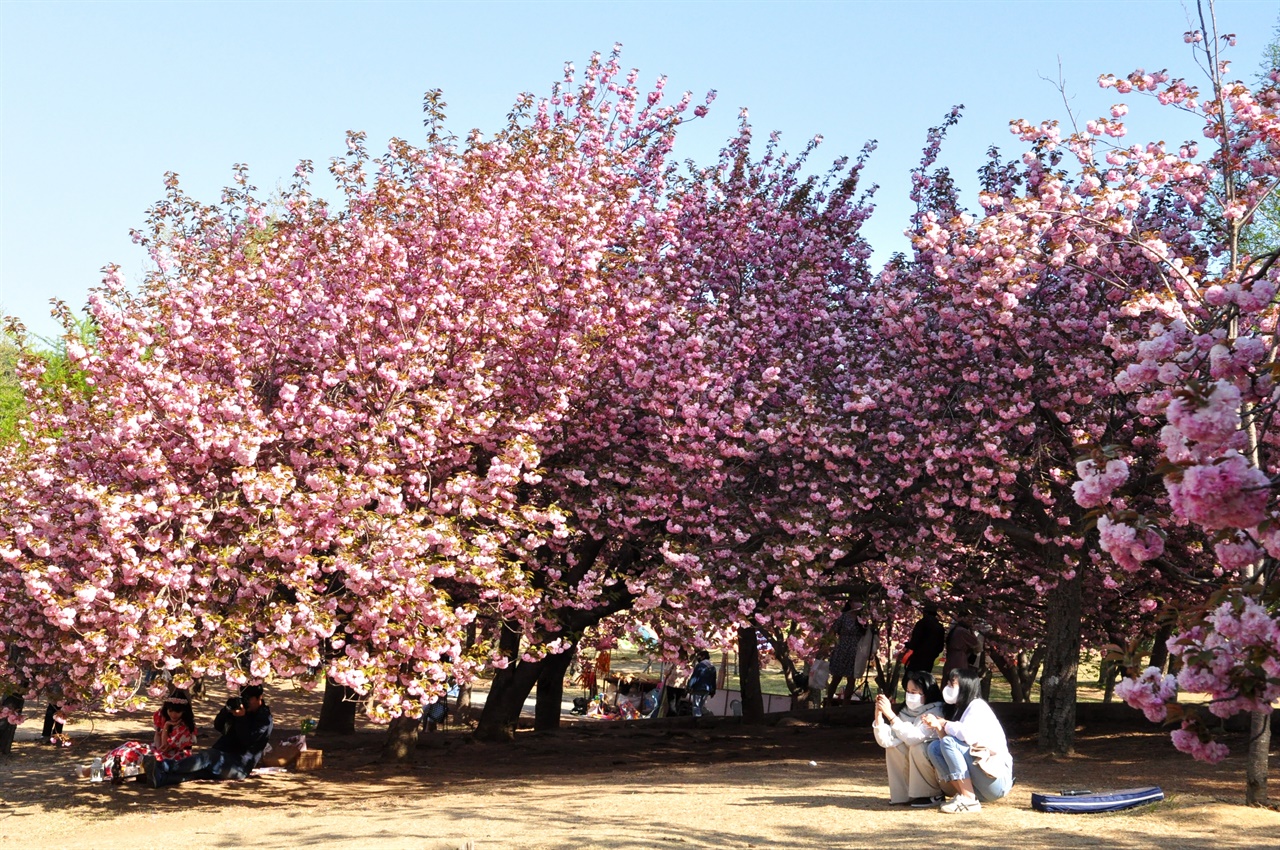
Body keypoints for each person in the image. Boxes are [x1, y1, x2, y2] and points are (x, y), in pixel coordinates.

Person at [922, 668, 1014, 813]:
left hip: (996, 778)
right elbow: (949, 746)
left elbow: (967, 735)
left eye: (952, 684)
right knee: (934, 747)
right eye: (948, 684)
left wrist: (944, 723)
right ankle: (964, 794)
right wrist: (938, 727)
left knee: (947, 743)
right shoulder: (961, 710)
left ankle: (969, 799)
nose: (948, 688)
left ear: (966, 686)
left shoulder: (978, 706)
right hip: (982, 783)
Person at [143, 684, 273, 787]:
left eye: (248, 698)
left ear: (259, 698)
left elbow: (248, 741)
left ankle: (162, 766)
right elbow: (218, 726)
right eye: (243, 697)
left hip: (239, 766)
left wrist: (241, 718)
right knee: (197, 772)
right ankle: (160, 779)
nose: (245, 702)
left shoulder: (264, 719)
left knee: (208, 757)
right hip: (223, 757)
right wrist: (227, 710)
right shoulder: (240, 709)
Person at [872, 670, 945, 806]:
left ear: (927, 693)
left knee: (918, 747)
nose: (910, 696)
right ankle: (904, 795)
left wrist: (891, 716)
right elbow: (886, 741)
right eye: (908, 691)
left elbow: (914, 737)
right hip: (913, 746)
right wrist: (879, 715)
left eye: (914, 692)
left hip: (938, 766)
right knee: (895, 747)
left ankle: (931, 794)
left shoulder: (936, 711)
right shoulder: (905, 712)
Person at [93, 691, 197, 782]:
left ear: (184, 712)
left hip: (175, 757)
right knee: (130, 744)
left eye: (177, 712)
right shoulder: (163, 717)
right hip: (161, 750)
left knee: (134, 754)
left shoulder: (184, 728)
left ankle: (100, 770)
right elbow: (158, 738)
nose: (173, 715)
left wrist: (166, 727)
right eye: (170, 711)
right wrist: (158, 743)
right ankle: (99, 765)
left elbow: (165, 747)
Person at [826, 599, 866, 705]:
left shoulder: (863, 618)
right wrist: (827, 645)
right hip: (842, 649)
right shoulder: (843, 617)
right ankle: (828, 701)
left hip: (856, 651)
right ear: (850, 604)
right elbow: (833, 631)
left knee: (851, 679)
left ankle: (846, 704)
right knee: (836, 677)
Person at [901, 603, 946, 674]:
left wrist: (908, 645)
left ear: (926, 613)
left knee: (912, 677)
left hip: (919, 656)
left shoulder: (922, 624)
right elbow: (940, 646)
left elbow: (915, 641)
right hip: (930, 657)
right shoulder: (939, 626)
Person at [685, 650, 717, 718]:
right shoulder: (712, 667)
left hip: (698, 688)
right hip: (707, 690)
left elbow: (695, 677)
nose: (698, 658)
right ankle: (707, 716)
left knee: (696, 706)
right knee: (701, 706)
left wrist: (689, 686)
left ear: (703, 657)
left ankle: (697, 721)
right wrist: (713, 690)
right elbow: (713, 680)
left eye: (699, 656)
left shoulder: (700, 666)